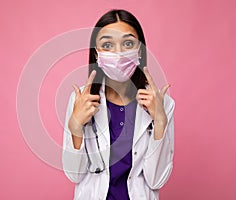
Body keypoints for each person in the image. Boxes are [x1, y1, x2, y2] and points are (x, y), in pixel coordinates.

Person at [62, 9, 175, 200]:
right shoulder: (81, 100)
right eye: (107, 45)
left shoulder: (163, 104)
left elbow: (157, 180)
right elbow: (75, 175)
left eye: (128, 43)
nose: (119, 53)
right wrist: (75, 126)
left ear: (139, 50)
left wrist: (160, 123)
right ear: (96, 54)